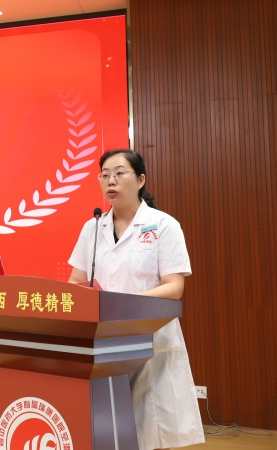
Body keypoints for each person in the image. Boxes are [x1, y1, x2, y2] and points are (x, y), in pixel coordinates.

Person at [67, 149, 205, 450]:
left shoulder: (163, 225)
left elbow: (174, 287)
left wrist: (123, 303)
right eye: (105, 175)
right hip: (103, 343)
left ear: (141, 180)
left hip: (148, 341)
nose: (110, 181)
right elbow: (76, 282)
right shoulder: (93, 228)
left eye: (119, 173)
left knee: (148, 433)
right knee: (105, 432)